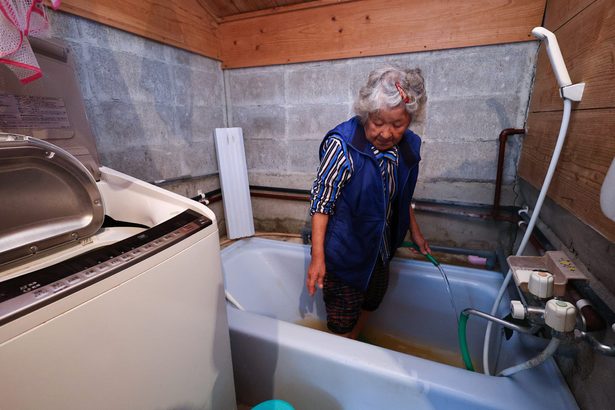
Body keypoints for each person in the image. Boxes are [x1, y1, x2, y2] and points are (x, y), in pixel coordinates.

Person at [306, 66, 431, 339]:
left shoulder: (408, 147)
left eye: (397, 125)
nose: (386, 133)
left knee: (371, 301)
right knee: (341, 317)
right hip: (346, 254)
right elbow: (321, 203)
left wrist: (416, 232)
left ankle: (354, 346)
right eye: (377, 122)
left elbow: (399, 196)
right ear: (365, 114)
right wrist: (317, 258)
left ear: (410, 120)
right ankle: (342, 353)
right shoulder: (343, 146)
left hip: (381, 251)